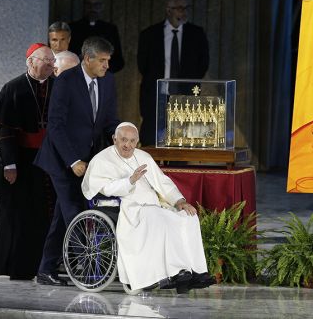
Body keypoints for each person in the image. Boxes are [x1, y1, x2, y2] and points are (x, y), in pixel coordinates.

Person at [82, 122, 215, 292]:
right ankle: (175, 272)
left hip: (154, 206)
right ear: (114, 139)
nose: (127, 145)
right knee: (159, 217)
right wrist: (129, 180)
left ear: (137, 142)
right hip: (130, 208)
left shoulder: (143, 156)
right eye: (123, 140)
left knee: (188, 217)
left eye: (132, 141)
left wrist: (180, 201)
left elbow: (163, 183)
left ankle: (197, 272)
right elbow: (106, 189)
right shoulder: (102, 160)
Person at [34, 36, 119, 286]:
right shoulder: (66, 81)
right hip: (63, 160)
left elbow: (109, 120)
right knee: (75, 213)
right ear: (88, 58)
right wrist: (73, 161)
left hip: (88, 160)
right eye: (102, 61)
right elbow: (56, 126)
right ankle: (92, 270)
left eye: (108, 61)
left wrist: (122, 136)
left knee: (63, 214)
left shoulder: (108, 81)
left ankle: (46, 268)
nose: (106, 65)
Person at [0, 43, 57, 280]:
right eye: (46, 60)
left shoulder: (57, 86)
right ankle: (20, 267)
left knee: (47, 212)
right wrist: (9, 163)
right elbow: (6, 130)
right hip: (21, 161)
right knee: (21, 215)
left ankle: (48, 265)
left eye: (52, 61)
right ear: (30, 61)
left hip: (49, 159)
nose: (51, 65)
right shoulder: (13, 88)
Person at [137, 0, 209, 146]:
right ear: (168, 11)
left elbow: (203, 64)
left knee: (181, 143)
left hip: (185, 97)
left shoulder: (196, 33)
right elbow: (143, 65)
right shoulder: (149, 34)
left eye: (185, 8)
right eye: (179, 8)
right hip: (157, 97)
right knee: (152, 142)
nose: (183, 12)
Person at [68, 0, 125, 74]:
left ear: (102, 7)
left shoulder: (110, 29)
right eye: (89, 5)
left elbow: (118, 60)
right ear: (84, 6)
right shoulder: (72, 28)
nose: (92, 8)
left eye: (96, 5)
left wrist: (104, 69)